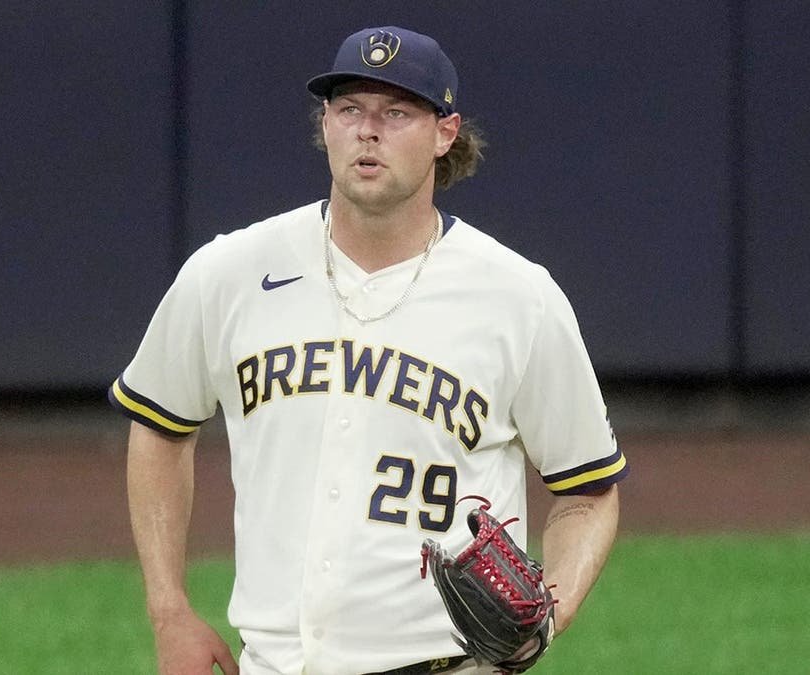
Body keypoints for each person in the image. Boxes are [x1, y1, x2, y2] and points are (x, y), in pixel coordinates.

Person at [110, 25, 629, 675]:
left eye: (397, 112)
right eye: (350, 108)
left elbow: (588, 490)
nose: (368, 130)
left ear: (445, 132)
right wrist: (169, 610)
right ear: (325, 124)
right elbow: (160, 425)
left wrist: (550, 612)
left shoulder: (519, 297)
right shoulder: (229, 273)